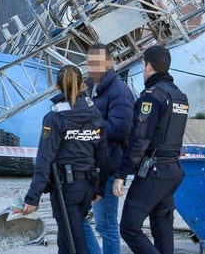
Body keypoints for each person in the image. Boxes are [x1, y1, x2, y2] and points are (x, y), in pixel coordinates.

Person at [20, 65, 109, 254]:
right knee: (66, 241)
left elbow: (44, 159)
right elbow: (103, 154)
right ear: (81, 83)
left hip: (66, 189)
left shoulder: (54, 118)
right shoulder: (94, 113)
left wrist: (32, 198)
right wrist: (99, 187)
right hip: (87, 186)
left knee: (74, 244)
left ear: (57, 86)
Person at [112, 45, 189, 254]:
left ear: (148, 66)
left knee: (129, 227)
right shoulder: (179, 96)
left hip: (154, 171)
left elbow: (140, 139)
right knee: (162, 226)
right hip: (172, 170)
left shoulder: (152, 96)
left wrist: (121, 174)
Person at [83, 44, 134, 254]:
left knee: (106, 225)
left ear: (109, 62)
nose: (93, 67)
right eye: (90, 63)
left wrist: (89, 123)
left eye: (97, 63)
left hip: (109, 167)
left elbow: (120, 129)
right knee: (77, 217)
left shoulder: (119, 91)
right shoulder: (90, 86)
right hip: (91, 165)